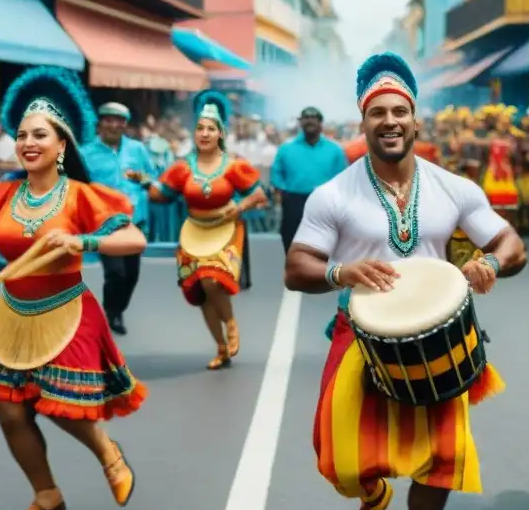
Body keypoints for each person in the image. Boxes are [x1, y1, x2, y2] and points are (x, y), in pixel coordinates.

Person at [284, 53, 527, 510]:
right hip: (361, 338)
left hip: (440, 341)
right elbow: (296, 267)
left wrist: (490, 263)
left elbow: (512, 244)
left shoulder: (453, 187)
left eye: (400, 112)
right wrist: (341, 272)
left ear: (416, 121)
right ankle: (372, 499)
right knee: (340, 461)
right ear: (363, 124)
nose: (390, 121)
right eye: (378, 114)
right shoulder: (333, 195)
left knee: (442, 462)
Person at [0, 67, 148, 510]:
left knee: (57, 402)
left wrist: (82, 242)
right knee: (9, 408)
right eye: (21, 135)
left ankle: (108, 453)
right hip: (12, 314)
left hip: (68, 311)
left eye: (40, 134)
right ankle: (47, 497)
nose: (28, 142)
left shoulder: (81, 196)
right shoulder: (0, 197)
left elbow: (134, 239)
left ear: (61, 146)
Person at [134, 91, 266, 369]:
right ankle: (221, 347)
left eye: (211, 129)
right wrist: (144, 181)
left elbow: (259, 194)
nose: (204, 134)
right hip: (194, 230)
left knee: (211, 280)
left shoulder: (233, 165)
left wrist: (239, 207)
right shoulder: (182, 168)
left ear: (220, 134)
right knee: (201, 292)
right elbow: (162, 195)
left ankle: (231, 323)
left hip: (225, 229)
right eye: (200, 128)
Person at [80, 102, 157, 335]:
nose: (114, 125)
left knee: (131, 275)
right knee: (115, 273)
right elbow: (78, 186)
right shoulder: (85, 154)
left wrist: (140, 178)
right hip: (104, 223)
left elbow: (152, 177)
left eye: (119, 121)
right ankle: (112, 313)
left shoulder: (137, 150)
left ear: (125, 125)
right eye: (109, 120)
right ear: (100, 124)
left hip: (134, 220)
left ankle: (116, 309)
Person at [270, 106, 347, 254]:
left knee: (324, 247)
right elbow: (276, 175)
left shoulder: (335, 150)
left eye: (314, 118)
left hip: (325, 204)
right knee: (292, 244)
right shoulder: (286, 149)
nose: (310, 121)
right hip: (294, 202)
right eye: (306, 118)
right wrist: (283, 192)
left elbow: (344, 178)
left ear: (320, 123)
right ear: (300, 122)